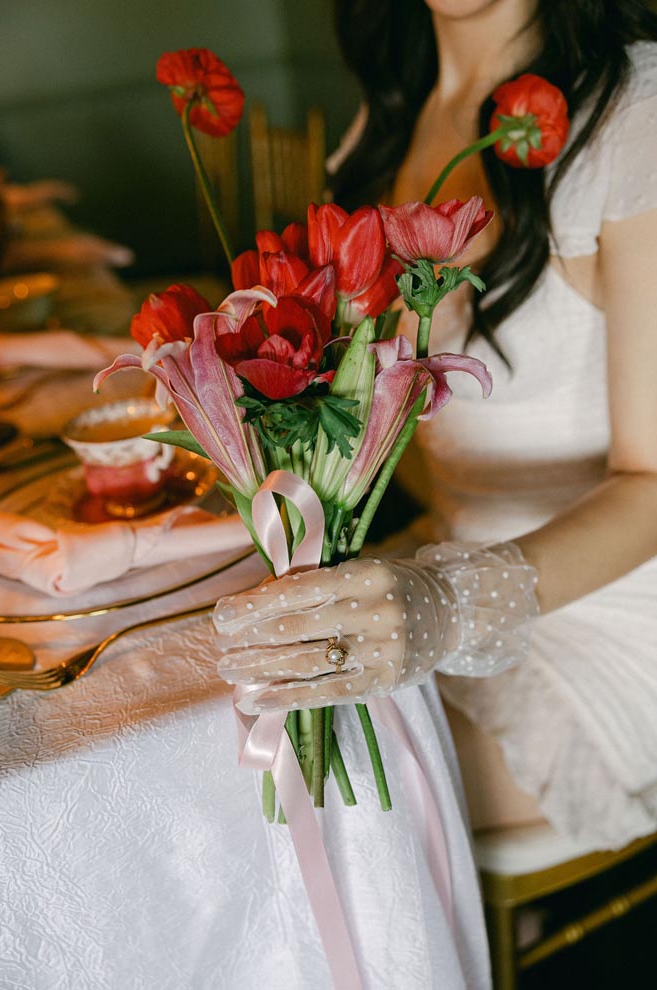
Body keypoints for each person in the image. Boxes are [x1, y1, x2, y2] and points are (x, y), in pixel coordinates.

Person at [215, 0, 657, 942]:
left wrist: (443, 606)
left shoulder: (637, 117)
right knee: (211, 715)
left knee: (284, 785)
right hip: (438, 558)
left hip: (615, 615)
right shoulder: (392, 115)